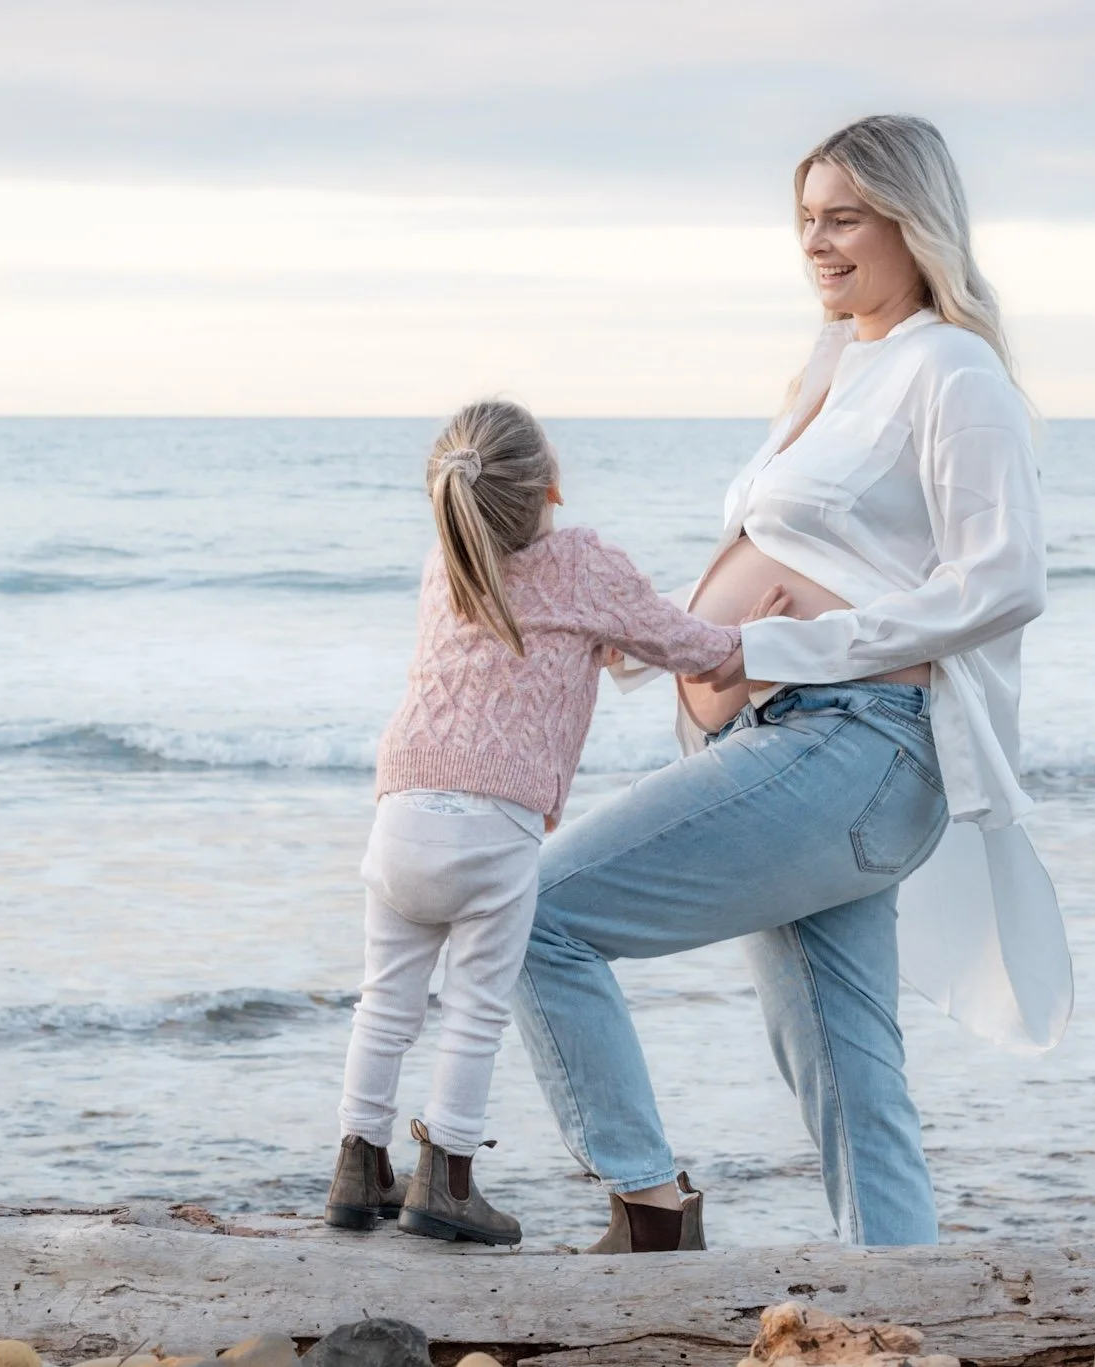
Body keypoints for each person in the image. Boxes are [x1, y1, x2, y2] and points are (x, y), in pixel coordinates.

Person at [512, 114, 1073, 1253]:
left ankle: (648, 1201)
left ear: (913, 223)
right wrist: (636, 632)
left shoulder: (950, 370)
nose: (817, 243)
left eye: (844, 217)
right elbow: (779, 554)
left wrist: (785, 648)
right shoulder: (835, 365)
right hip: (790, 746)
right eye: (805, 220)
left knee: (533, 911)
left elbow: (1005, 580)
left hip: (850, 743)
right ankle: (907, 1306)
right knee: (846, 1073)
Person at [324, 397, 784, 1246]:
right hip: (491, 822)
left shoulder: (447, 563)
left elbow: (532, 638)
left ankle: (359, 1167)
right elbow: (688, 645)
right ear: (552, 489)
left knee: (384, 1002)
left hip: (401, 807)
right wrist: (762, 633)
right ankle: (448, 1183)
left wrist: (599, 642)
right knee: (473, 1007)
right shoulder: (583, 563)